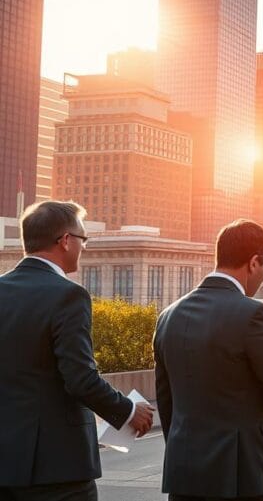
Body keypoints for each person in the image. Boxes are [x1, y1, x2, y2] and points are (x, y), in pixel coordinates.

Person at [0, 201, 154, 501]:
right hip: (57, 468)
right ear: (66, 241)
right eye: (83, 239)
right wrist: (128, 411)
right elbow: (80, 378)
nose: (84, 247)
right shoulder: (68, 295)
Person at [154, 219, 263, 501]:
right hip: (246, 479)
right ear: (253, 263)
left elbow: (166, 402)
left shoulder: (168, 316)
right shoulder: (254, 314)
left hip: (185, 478)